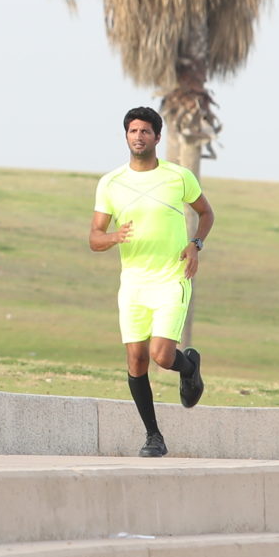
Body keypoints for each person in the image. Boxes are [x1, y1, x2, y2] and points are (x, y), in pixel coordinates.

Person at [88, 105, 213, 457]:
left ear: (157, 137)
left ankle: (188, 366)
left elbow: (206, 212)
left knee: (161, 355)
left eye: (145, 131)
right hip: (133, 284)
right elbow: (94, 238)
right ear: (126, 136)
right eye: (133, 131)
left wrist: (196, 244)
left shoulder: (179, 177)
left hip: (172, 278)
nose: (138, 137)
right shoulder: (111, 183)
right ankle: (153, 436)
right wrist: (113, 237)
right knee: (136, 361)